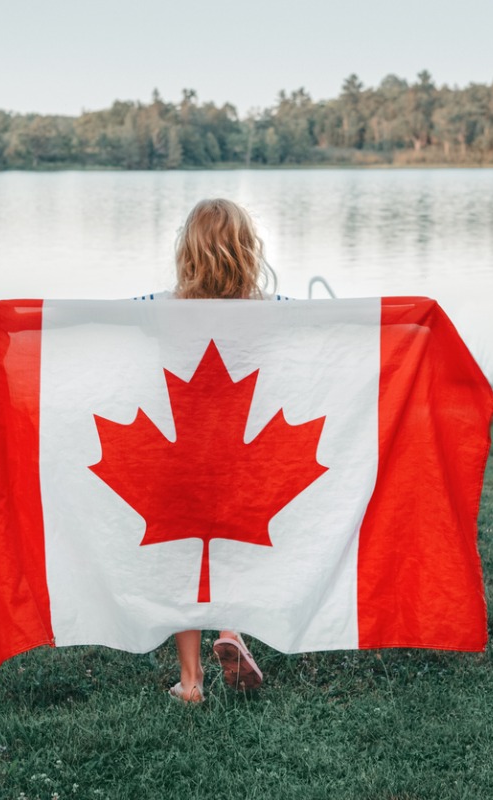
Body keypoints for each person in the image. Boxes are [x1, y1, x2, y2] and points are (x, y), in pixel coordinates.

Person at [140, 198, 280, 703]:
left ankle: (192, 682)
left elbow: (100, 322)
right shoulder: (267, 313)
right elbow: (322, 333)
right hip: (239, 463)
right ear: (246, 251)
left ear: (188, 252)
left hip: (177, 462)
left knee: (184, 562)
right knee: (230, 552)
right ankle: (230, 631)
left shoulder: (159, 307)